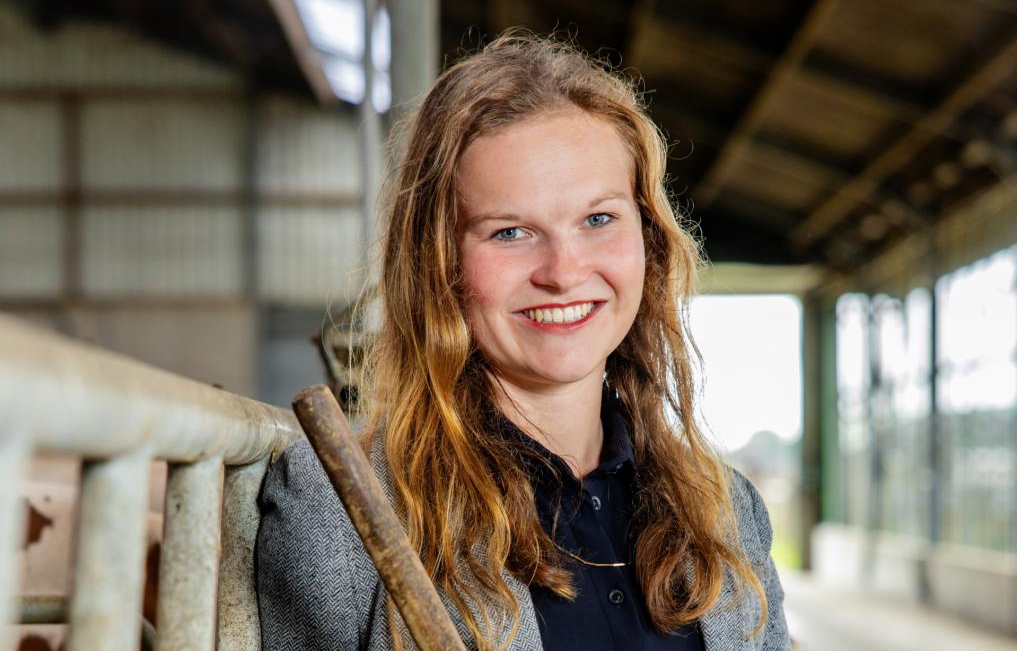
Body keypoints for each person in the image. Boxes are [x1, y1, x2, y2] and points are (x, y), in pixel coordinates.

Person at [257, 33, 790, 651]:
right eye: (509, 232)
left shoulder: (729, 513)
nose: (563, 271)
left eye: (598, 219)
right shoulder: (342, 502)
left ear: (648, 237)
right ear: (438, 262)